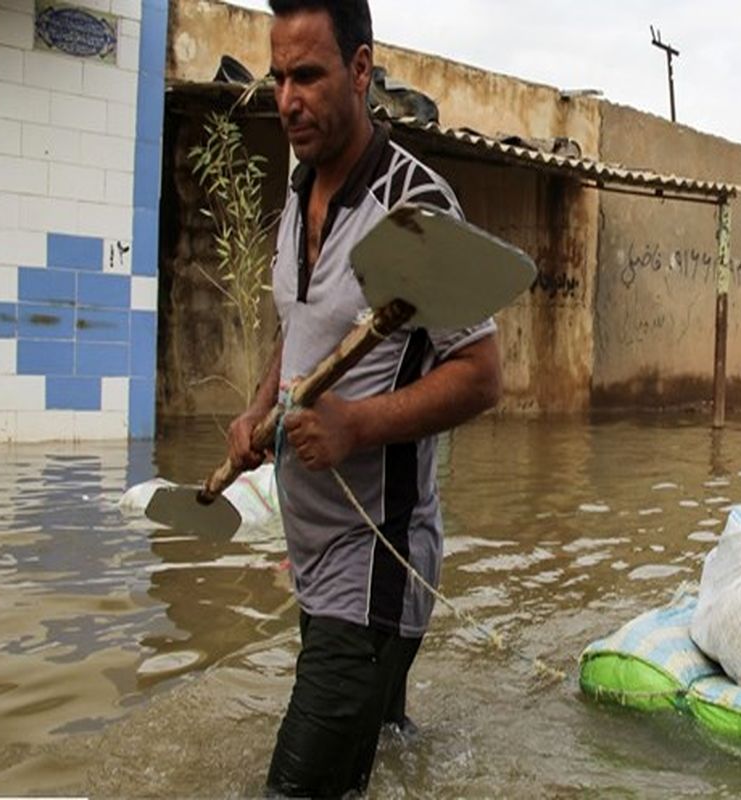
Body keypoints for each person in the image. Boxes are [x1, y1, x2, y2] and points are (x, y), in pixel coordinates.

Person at [225, 1, 502, 795]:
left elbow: (481, 373)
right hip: (313, 558)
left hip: (377, 561)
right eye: (279, 78)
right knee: (376, 768)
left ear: (359, 69)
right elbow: (300, 328)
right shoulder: (299, 190)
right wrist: (258, 410)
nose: (287, 99)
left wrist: (354, 425)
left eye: (307, 76)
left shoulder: (414, 206)